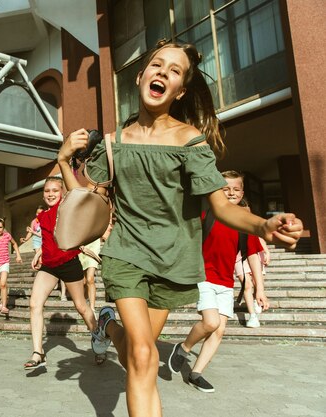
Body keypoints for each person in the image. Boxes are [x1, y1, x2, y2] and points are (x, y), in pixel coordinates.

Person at [57, 39, 303, 416]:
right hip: (125, 255)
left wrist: (262, 224)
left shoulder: (190, 142)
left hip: (172, 262)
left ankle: (106, 325)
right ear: (140, 76)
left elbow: (222, 206)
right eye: (157, 65)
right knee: (142, 355)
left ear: (180, 90)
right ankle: (111, 328)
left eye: (174, 71)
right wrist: (63, 161)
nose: (163, 73)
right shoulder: (113, 142)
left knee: (142, 358)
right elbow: (83, 202)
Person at [167, 170, 269, 393]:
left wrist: (260, 289)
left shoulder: (245, 221)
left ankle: (196, 373)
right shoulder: (207, 212)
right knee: (211, 322)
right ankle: (183, 349)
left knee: (219, 331)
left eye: (236, 188)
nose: (231, 192)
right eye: (225, 188)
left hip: (226, 282)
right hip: (203, 276)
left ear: (242, 192)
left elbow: (252, 255)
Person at [23, 176, 107, 370]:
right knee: (34, 304)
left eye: (54, 190)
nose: (50, 194)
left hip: (69, 262)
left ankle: (99, 343)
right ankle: (38, 352)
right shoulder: (42, 217)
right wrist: (39, 253)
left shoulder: (67, 210)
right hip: (49, 266)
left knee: (81, 306)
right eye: (47, 191)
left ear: (62, 193)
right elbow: (49, 240)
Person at [234, 200, 271, 328]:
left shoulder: (251, 225)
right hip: (237, 257)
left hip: (254, 253)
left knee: (256, 281)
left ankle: (256, 299)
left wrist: (266, 251)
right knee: (247, 284)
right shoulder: (231, 225)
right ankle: (252, 316)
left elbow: (259, 237)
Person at [79, 223, 113, 317]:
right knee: (84, 282)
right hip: (82, 244)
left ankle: (92, 307)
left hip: (93, 244)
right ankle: (84, 301)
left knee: (90, 279)